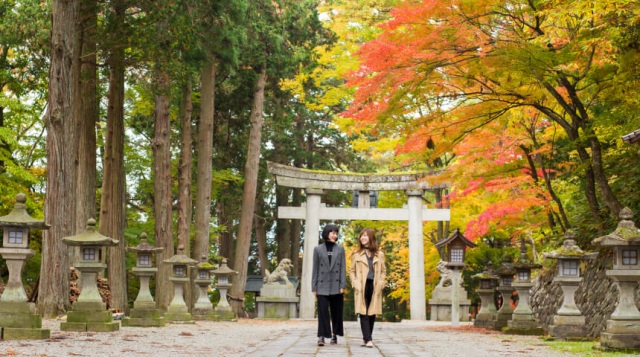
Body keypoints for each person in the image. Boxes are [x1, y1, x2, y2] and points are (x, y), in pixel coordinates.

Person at [349, 227, 386, 348]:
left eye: (365, 235)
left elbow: (383, 271)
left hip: (374, 285)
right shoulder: (356, 254)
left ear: (371, 238)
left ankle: (366, 338)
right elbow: (351, 271)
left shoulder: (379, 254)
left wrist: (381, 283)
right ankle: (368, 339)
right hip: (361, 285)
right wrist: (355, 283)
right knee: (363, 312)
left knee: (372, 312)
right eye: (361, 236)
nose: (363, 238)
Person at [312, 223, 346, 346]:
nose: (335, 235)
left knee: (336, 312)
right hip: (322, 285)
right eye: (332, 233)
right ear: (327, 233)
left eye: (336, 233)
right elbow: (315, 269)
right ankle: (321, 336)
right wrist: (314, 286)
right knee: (322, 312)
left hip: (336, 286)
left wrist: (343, 285)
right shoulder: (317, 249)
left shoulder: (340, 249)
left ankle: (334, 335)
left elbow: (343, 268)